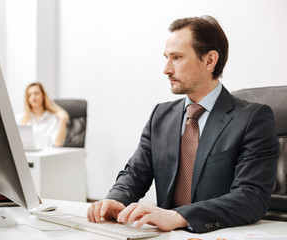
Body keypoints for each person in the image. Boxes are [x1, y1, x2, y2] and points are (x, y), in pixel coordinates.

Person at [87, 16, 279, 233]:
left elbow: (250, 197)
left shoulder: (253, 118)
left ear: (209, 61)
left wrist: (178, 216)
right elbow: (135, 174)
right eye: (166, 57)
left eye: (177, 57)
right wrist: (116, 199)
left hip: (218, 233)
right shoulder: (161, 115)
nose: (166, 69)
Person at [16, 82, 69, 148]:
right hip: (28, 157)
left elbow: (58, 144)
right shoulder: (20, 118)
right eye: (29, 95)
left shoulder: (54, 118)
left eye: (36, 93)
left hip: (47, 156)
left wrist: (62, 119)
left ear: (43, 96)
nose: (33, 97)